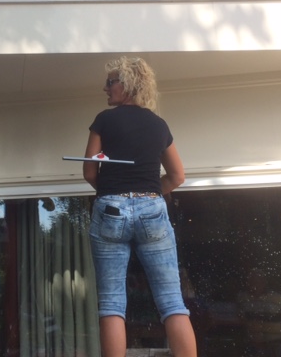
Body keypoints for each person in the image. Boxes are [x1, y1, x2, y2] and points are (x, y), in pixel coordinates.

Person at [83, 56, 197, 357]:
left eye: (110, 83)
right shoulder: (159, 125)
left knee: (111, 303)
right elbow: (177, 176)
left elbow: (89, 172)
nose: (105, 88)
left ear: (127, 84)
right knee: (172, 301)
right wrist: (148, 193)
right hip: (152, 210)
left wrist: (114, 192)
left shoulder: (104, 120)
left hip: (110, 208)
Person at [237, 269, 281, 357]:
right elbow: (242, 318)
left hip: (275, 344)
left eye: (258, 280)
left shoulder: (277, 298)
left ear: (264, 282)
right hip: (253, 345)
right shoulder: (242, 298)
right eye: (252, 280)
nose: (255, 283)